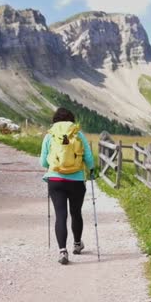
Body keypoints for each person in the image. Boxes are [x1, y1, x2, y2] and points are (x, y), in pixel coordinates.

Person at [40, 108, 95, 265]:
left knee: (60, 215)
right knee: (76, 213)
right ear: (72, 120)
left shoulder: (50, 135)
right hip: (76, 180)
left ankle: (62, 251)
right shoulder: (78, 134)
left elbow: (43, 162)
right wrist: (91, 170)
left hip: (55, 180)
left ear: (55, 120)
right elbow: (89, 158)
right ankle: (77, 244)